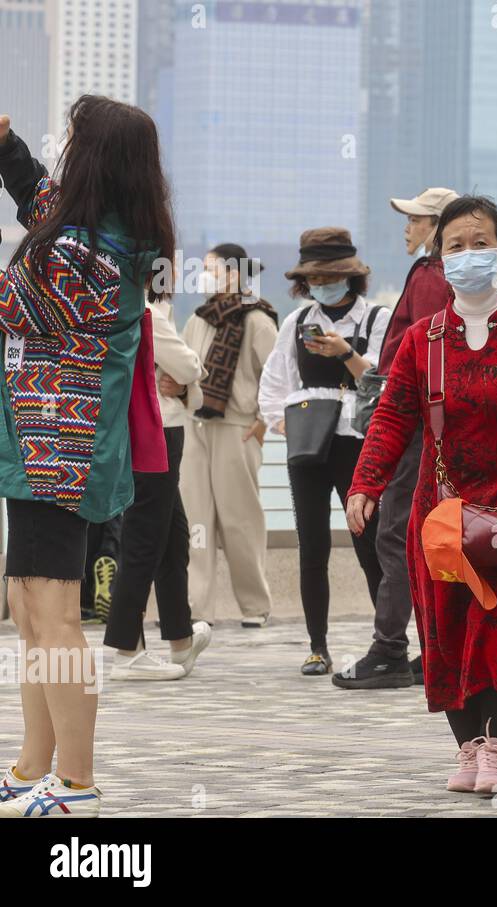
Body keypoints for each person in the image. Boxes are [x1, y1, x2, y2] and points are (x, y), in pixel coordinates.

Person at [0, 97, 175, 818]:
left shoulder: (91, 251)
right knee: (27, 607)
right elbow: (34, 188)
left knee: (54, 610)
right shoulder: (92, 225)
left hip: (62, 448)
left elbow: (14, 300)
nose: (62, 147)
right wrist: (6, 143)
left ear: (95, 154)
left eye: (72, 137)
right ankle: (31, 764)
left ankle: (77, 780)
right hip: (33, 438)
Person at [347, 196, 497, 795]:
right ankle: (467, 747)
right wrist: (366, 483)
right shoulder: (422, 339)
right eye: (455, 246)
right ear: (438, 258)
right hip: (442, 515)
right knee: (447, 630)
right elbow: (391, 419)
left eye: (480, 242)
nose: (469, 255)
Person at [335, 188, 457, 690]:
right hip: (431, 423)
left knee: (396, 532)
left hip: (415, 423)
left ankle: (390, 647)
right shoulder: (439, 275)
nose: (407, 228)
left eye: (415, 219)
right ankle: (431, 651)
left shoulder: (430, 275)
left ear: (435, 226)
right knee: (418, 533)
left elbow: (426, 349)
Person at [259, 228, 389, 675]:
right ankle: (317, 644)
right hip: (309, 442)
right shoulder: (295, 322)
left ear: (350, 277)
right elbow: (275, 381)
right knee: (311, 542)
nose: (321, 285)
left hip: (358, 441)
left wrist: (344, 352)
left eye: (330, 276)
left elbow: (383, 380)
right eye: (313, 277)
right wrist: (284, 420)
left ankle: (387, 639)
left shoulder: (376, 319)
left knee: (368, 540)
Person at [104, 289, 213, 680]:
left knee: (172, 536)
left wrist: (184, 385)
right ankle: (126, 649)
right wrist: (188, 379)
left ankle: (181, 640)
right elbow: (187, 367)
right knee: (145, 538)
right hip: (157, 432)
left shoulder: (122, 303)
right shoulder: (145, 309)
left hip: (143, 430)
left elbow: (182, 382)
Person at [179, 245, 279, 628]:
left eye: (211, 269)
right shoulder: (197, 319)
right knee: (196, 520)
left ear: (234, 274)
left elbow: (275, 375)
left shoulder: (258, 320)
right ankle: (197, 607)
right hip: (196, 427)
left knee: (240, 520)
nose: (204, 275)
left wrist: (263, 422)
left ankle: (255, 606)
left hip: (237, 429)